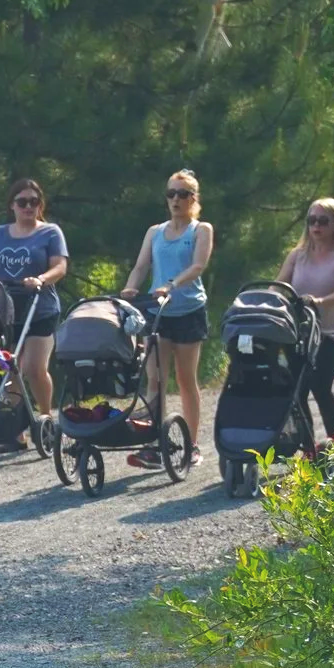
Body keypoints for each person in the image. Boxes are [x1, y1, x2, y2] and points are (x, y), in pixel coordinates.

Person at [121, 169, 215, 469]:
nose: (176, 199)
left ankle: (192, 443)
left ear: (194, 199)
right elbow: (140, 265)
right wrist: (131, 287)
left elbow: (198, 266)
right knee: (156, 378)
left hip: (188, 310)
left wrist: (171, 284)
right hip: (157, 311)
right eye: (171, 194)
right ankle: (154, 444)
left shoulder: (201, 230)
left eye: (182, 194)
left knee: (186, 379)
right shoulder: (155, 231)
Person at [0, 177, 69, 418]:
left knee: (35, 368)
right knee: (10, 368)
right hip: (6, 308)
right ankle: (16, 427)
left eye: (34, 202)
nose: (28, 206)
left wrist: (41, 279)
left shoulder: (50, 232)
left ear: (40, 205)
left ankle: (45, 416)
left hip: (40, 308)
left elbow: (60, 266)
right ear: (12, 205)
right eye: (22, 201)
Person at [276, 197, 334, 447]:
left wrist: (318, 302)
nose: (316, 226)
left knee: (319, 384)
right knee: (297, 391)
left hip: (332, 333)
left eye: (323, 221)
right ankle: (308, 446)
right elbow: (279, 284)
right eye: (312, 220)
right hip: (300, 332)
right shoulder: (297, 255)